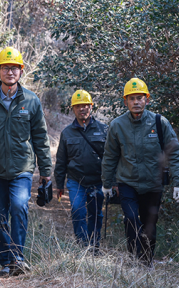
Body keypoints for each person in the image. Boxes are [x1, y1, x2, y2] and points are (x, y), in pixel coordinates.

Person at [0, 47, 52, 277]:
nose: (10, 72)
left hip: (21, 169)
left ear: (21, 71)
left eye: (14, 68)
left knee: (19, 206)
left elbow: (41, 138)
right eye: (6, 68)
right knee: (0, 215)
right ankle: (6, 261)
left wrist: (45, 170)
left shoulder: (31, 101)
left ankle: (18, 257)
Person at [101, 78, 179, 266]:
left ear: (147, 99)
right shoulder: (117, 125)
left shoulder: (159, 122)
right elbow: (110, 157)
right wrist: (107, 183)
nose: (136, 102)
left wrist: (178, 183)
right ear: (125, 102)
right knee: (131, 219)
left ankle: (145, 262)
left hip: (152, 184)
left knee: (149, 227)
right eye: (132, 99)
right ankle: (133, 257)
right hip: (127, 183)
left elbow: (176, 153)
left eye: (140, 98)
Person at [55, 90, 107, 252]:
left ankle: (94, 245)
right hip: (76, 181)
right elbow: (61, 161)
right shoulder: (67, 133)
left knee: (96, 214)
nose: (82, 109)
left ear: (91, 106)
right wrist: (59, 184)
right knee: (78, 210)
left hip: (98, 181)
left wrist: (113, 181)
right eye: (78, 106)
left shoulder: (104, 130)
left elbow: (112, 158)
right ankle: (82, 245)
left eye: (85, 105)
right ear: (73, 109)